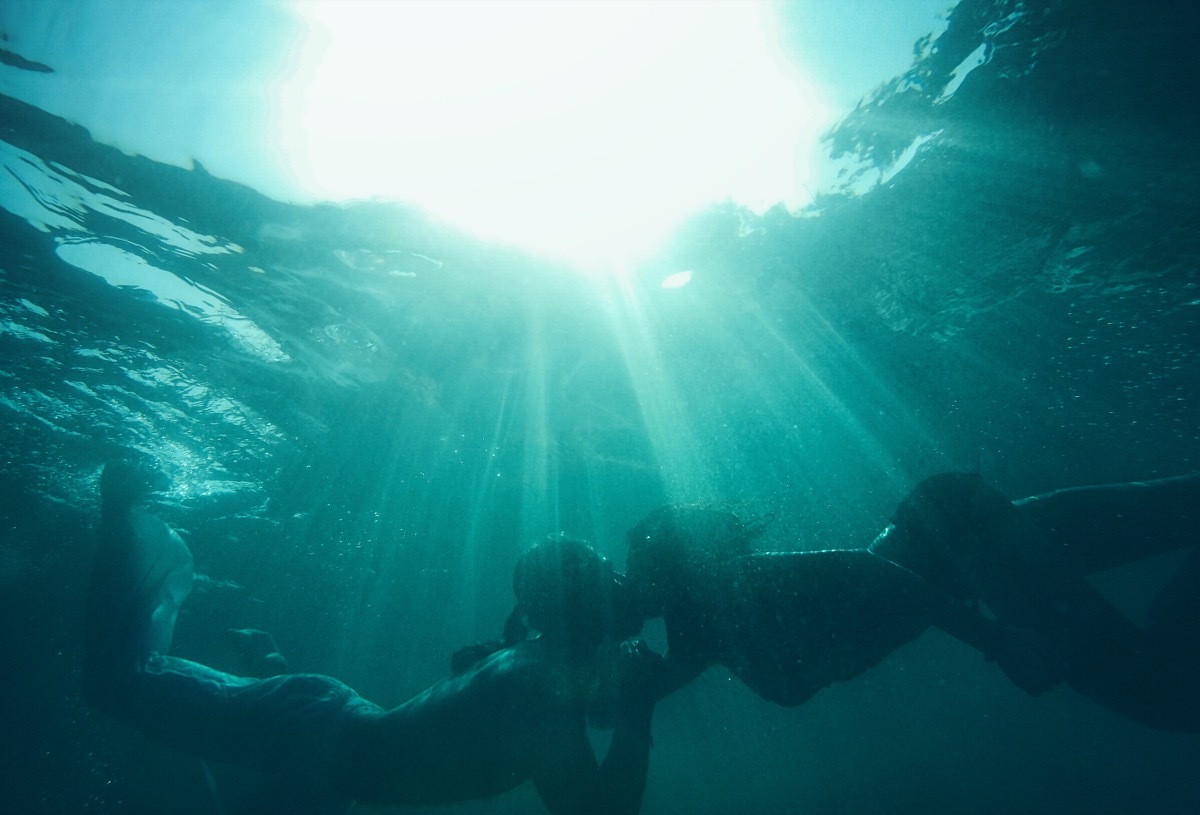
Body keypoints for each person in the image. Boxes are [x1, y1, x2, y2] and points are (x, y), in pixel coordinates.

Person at [83, 460, 663, 815]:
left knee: (143, 690)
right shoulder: (539, 685)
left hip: (324, 747)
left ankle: (268, 664)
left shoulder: (545, 664)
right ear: (577, 602)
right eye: (606, 574)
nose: (622, 583)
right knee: (118, 682)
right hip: (316, 738)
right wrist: (640, 709)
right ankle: (120, 516)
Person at [623, 503, 1062, 709]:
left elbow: (871, 570)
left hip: (951, 535)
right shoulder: (694, 627)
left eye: (636, 566)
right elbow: (642, 694)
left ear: (674, 564)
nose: (628, 579)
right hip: (951, 565)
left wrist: (997, 641)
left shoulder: (732, 581)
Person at [870, 471, 1200, 732]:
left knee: (1164, 698)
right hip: (988, 537)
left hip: (986, 537)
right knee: (1165, 698)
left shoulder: (862, 597)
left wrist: (994, 638)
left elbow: (877, 573)